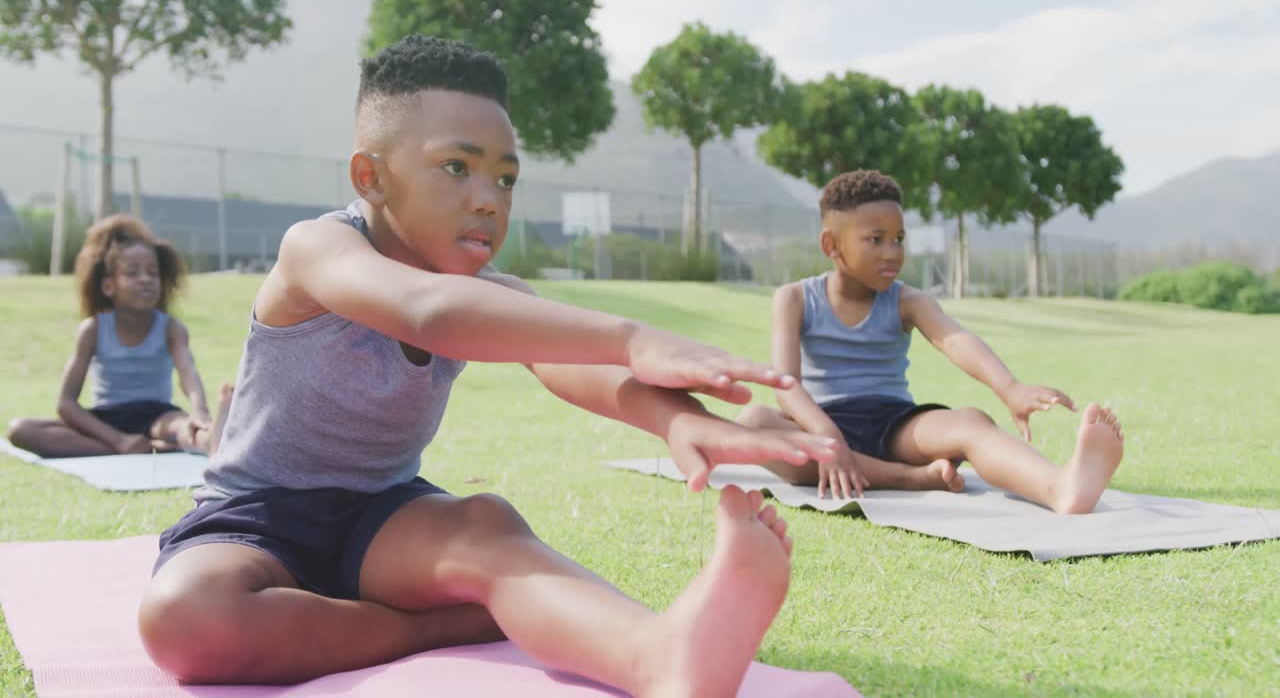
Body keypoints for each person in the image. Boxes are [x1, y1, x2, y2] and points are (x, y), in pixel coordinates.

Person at [137, 35, 838, 697]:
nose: (488, 198)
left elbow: (562, 361)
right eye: (456, 167)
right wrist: (629, 336)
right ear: (370, 178)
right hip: (255, 518)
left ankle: (660, 656)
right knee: (182, 619)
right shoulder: (315, 250)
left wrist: (677, 419)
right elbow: (424, 310)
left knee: (486, 529)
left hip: (384, 524)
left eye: (505, 178)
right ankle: (443, 625)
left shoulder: (490, 293)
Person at [737, 169, 1125, 514]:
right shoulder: (794, 299)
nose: (893, 252)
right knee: (754, 422)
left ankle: (1059, 488)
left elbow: (955, 340)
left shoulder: (908, 300)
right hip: (819, 423)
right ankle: (912, 478)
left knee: (971, 423)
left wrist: (1009, 388)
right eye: (876, 239)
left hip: (895, 425)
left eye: (899, 238)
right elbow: (785, 387)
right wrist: (827, 437)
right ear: (831, 245)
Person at [7, 215, 224, 458]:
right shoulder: (93, 329)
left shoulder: (171, 328)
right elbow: (66, 404)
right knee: (21, 430)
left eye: (153, 273)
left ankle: (210, 442)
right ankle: (146, 448)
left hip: (158, 417)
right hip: (104, 420)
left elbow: (189, 375)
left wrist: (199, 412)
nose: (145, 280)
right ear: (109, 286)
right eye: (132, 273)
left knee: (189, 429)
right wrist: (118, 440)